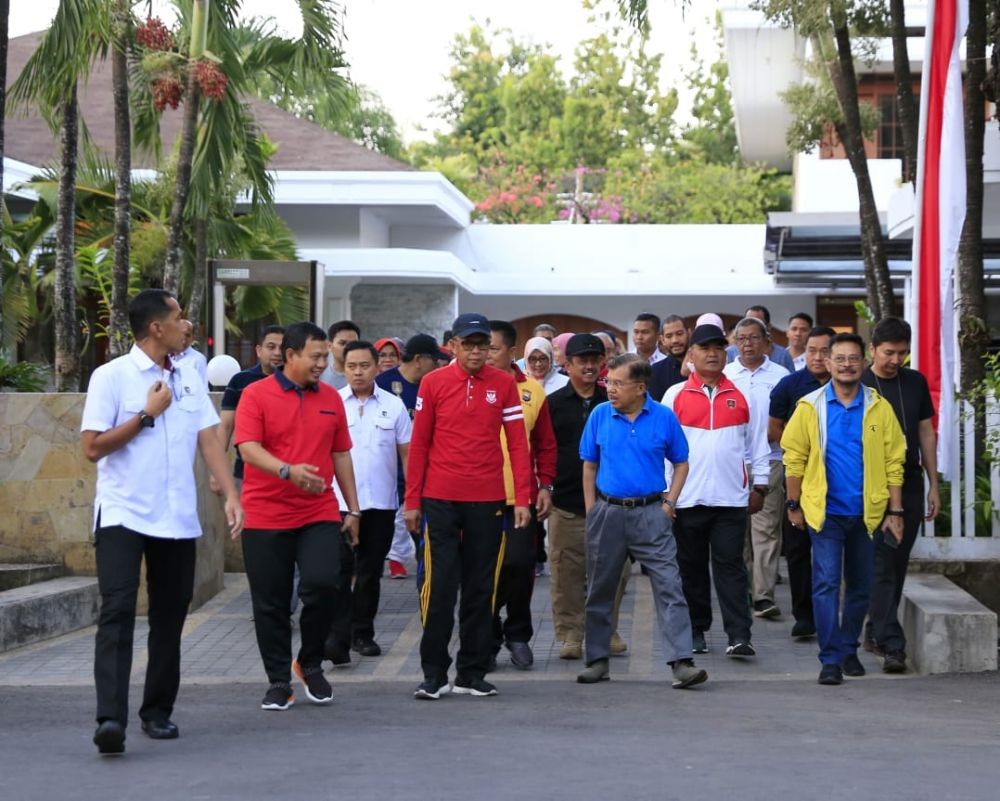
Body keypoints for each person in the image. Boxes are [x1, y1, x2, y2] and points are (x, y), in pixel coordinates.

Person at [81, 289, 243, 755]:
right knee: (117, 614)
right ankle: (110, 719)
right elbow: (92, 447)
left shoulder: (190, 371)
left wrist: (229, 494)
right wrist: (145, 416)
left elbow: (208, 437)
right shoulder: (111, 376)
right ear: (156, 327)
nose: (185, 325)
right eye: (178, 317)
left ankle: (157, 713)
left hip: (176, 517)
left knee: (170, 619)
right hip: (122, 514)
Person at [234, 322, 362, 711]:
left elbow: (341, 454)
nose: (325, 363)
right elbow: (247, 448)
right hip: (265, 515)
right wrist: (287, 470)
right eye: (317, 356)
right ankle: (278, 681)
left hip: (318, 511)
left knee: (324, 584)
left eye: (327, 356)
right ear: (290, 356)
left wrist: (353, 508)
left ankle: (309, 661)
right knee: (270, 602)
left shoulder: (330, 398)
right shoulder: (255, 394)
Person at [404, 312, 532, 700]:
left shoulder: (504, 384)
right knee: (439, 587)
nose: (477, 351)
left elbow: (517, 444)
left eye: (483, 345)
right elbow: (420, 445)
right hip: (440, 500)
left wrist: (522, 497)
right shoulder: (433, 382)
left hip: (489, 500)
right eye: (469, 344)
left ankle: (472, 672)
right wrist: (412, 502)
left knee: (482, 587)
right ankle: (434, 673)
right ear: (453, 346)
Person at [576, 353, 707, 689]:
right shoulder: (600, 415)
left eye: (618, 383)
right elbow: (589, 465)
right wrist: (592, 510)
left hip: (652, 513)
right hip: (607, 512)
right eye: (609, 382)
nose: (610, 389)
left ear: (640, 386)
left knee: (669, 585)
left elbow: (681, 462)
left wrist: (669, 503)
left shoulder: (663, 416)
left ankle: (682, 662)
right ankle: (597, 659)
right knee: (600, 589)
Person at [782, 332, 905, 686]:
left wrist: (895, 512)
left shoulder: (879, 407)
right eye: (840, 359)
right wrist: (793, 503)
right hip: (825, 513)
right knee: (825, 583)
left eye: (853, 359)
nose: (847, 365)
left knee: (861, 587)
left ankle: (848, 647)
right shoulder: (810, 407)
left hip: (867, 514)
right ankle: (830, 658)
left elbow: (896, 461)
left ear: (863, 362)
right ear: (826, 363)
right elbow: (795, 459)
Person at [663, 323, 769, 658]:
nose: (712, 354)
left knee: (731, 568)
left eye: (718, 348)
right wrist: (668, 496)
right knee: (690, 569)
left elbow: (757, 446)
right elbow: (663, 450)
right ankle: (696, 630)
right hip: (687, 499)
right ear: (690, 355)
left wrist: (760, 484)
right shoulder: (674, 395)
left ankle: (739, 635)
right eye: (705, 348)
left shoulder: (742, 394)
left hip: (730, 499)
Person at [547, 334, 633, 660]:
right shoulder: (553, 404)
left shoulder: (616, 401)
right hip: (567, 504)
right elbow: (544, 451)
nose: (588, 364)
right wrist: (547, 488)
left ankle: (606, 628)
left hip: (613, 502)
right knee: (566, 573)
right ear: (566, 365)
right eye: (580, 359)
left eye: (594, 358)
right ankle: (570, 634)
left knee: (615, 570)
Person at [860, 317, 939, 673]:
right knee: (881, 560)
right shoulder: (859, 382)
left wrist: (933, 482)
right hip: (870, 483)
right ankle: (892, 644)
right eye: (889, 353)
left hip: (908, 480)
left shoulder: (915, 381)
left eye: (902, 353)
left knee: (897, 561)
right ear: (872, 349)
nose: (896, 360)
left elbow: (925, 433)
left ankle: (875, 628)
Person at [328, 341, 412, 660]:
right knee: (338, 572)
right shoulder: (333, 403)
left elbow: (407, 455)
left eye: (365, 365)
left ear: (377, 366)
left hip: (381, 504)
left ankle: (362, 634)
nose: (358, 372)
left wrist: (413, 499)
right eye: (352, 366)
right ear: (343, 368)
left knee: (369, 573)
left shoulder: (394, 406)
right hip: (337, 504)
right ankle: (337, 636)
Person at [486, 320, 557, 669]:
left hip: (519, 499)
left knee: (518, 566)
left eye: (492, 348)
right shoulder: (463, 387)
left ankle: (517, 634)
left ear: (511, 352)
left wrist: (545, 486)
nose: (484, 354)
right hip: (475, 498)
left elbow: (545, 446)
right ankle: (486, 634)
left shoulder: (532, 391)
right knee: (482, 571)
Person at [768, 326, 835, 638]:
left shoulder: (849, 386)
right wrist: (807, 450)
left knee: (833, 549)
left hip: (840, 479)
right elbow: (774, 429)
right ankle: (804, 615)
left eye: (825, 351)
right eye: (812, 350)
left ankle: (829, 614)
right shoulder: (789, 385)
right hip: (798, 477)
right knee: (798, 548)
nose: (818, 357)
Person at [723, 316, 789, 619]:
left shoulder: (780, 375)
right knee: (736, 530)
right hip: (731, 462)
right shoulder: (724, 376)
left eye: (753, 338)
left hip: (771, 459)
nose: (747, 344)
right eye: (742, 339)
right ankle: (743, 588)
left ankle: (763, 596)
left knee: (766, 528)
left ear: (767, 342)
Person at [377, 333, 443, 580]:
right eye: (433, 360)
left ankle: (427, 574)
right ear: (418, 359)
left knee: (424, 533)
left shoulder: (434, 384)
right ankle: (393, 559)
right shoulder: (383, 383)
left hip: (424, 472)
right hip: (387, 471)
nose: (437, 365)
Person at [212, 325, 285, 494]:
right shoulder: (240, 381)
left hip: (287, 473)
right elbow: (225, 427)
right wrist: (217, 472)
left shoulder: (296, 384)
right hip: (245, 473)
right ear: (259, 350)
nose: (277, 353)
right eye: (271, 347)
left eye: (282, 348)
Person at [726, 305, 795, 372]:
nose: (751, 326)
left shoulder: (783, 355)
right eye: (748, 322)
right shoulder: (730, 353)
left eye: (758, 322)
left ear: (768, 327)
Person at [648, 314, 688, 401]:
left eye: (679, 334)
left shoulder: (701, 367)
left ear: (689, 333)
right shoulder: (655, 371)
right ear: (662, 340)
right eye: (669, 336)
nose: (675, 340)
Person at [319, 320, 360, 389]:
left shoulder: (367, 377)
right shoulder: (319, 377)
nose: (348, 347)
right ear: (329, 346)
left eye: (353, 343)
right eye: (342, 343)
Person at [172, 319, 208, 386]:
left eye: (187, 335)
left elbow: (203, 388)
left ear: (193, 338)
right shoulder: (164, 356)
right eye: (180, 334)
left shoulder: (198, 359)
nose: (183, 339)